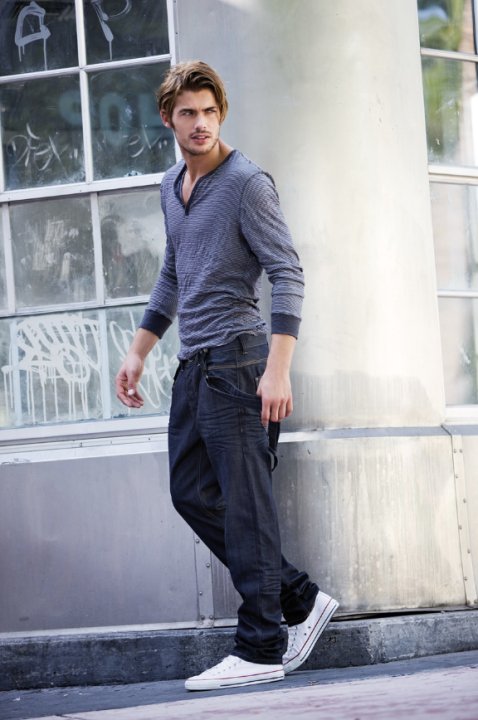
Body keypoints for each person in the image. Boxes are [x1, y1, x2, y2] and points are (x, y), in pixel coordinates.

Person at [115, 60, 338, 692]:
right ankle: (296, 597)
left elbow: (287, 272)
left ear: (222, 115)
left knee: (246, 508)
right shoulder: (172, 185)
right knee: (190, 492)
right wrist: (139, 351)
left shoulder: (246, 183)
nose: (201, 123)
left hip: (241, 362)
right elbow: (174, 272)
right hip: (195, 366)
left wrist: (278, 369)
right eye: (188, 113)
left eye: (210, 112)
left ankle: (261, 646)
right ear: (168, 118)